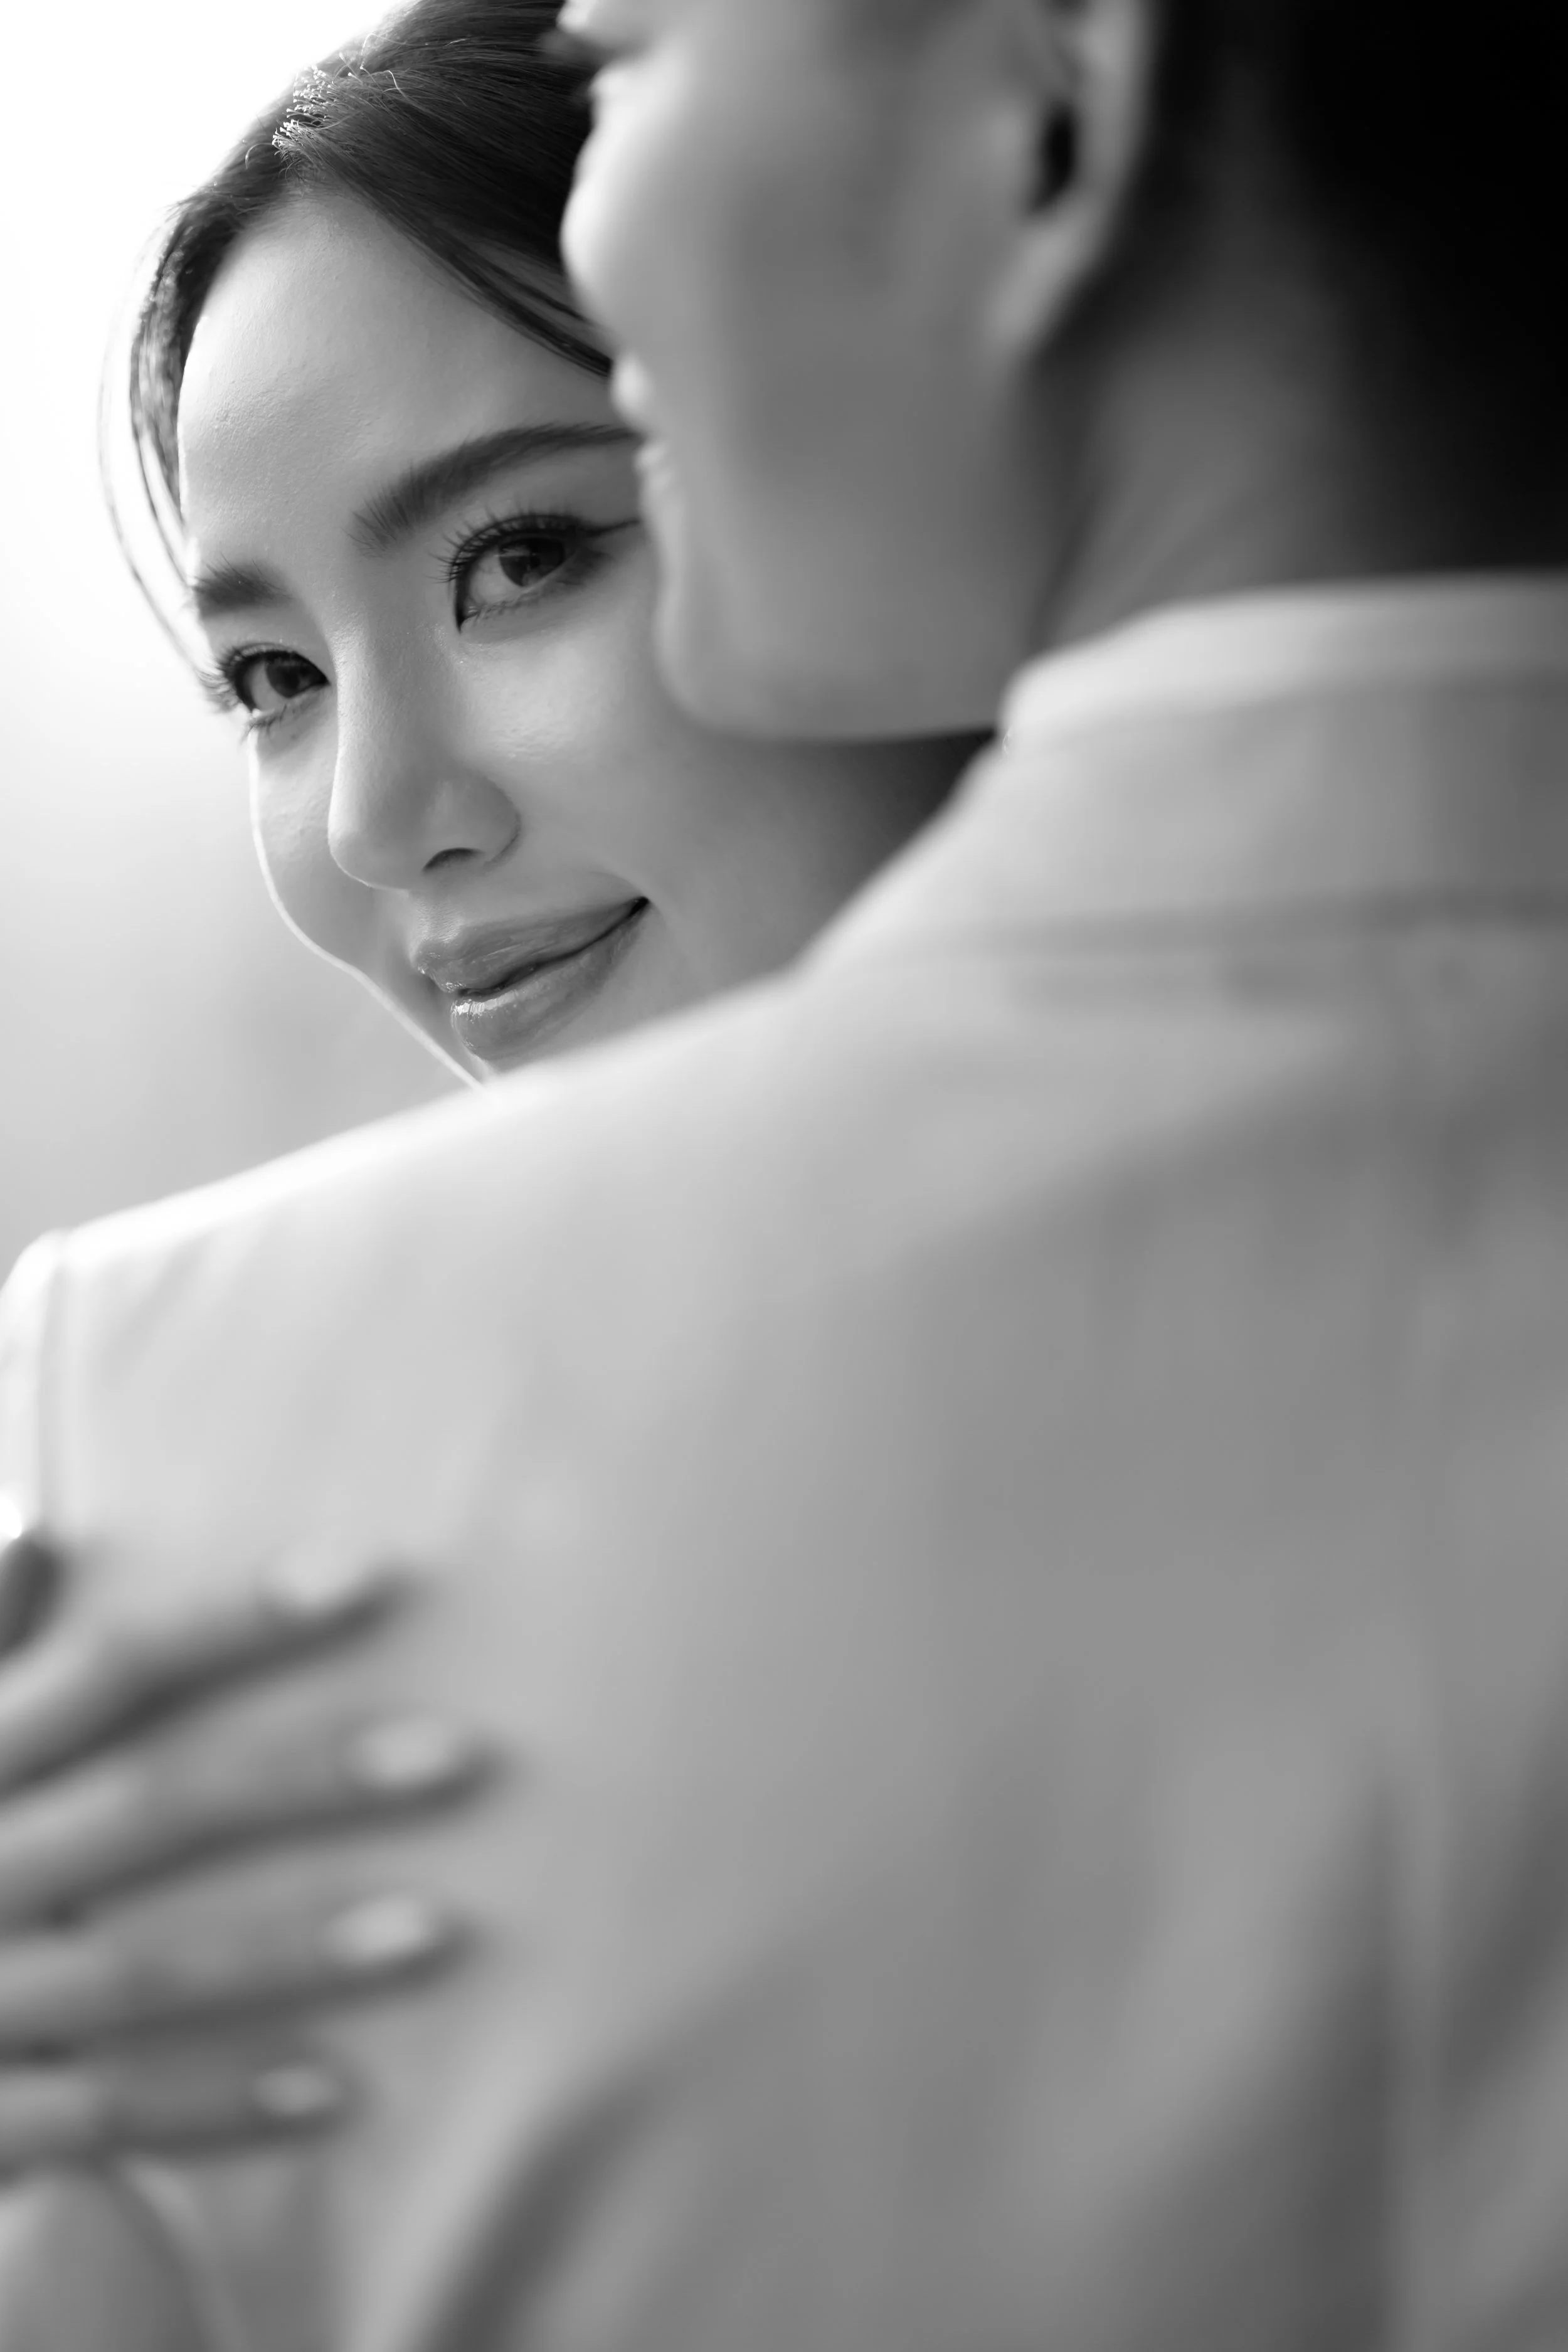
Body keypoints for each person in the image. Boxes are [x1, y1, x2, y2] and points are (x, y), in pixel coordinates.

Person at [8, 3, 1568, 2351]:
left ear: (1039, 156)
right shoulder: (154, 1648)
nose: (376, 821)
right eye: (266, 679)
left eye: (526, 552)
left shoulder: (211, 1424)